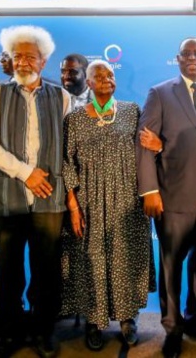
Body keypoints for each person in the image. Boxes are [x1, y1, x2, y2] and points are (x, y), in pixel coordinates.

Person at [0, 25, 71, 358]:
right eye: (17, 55)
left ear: (43, 61)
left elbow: (68, 146)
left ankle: (44, 331)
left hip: (49, 198)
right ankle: (10, 333)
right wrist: (25, 172)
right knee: (9, 271)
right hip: (9, 196)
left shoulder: (61, 96)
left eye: (30, 56)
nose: (22, 61)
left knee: (47, 271)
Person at [136, 37, 196, 358]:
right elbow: (144, 144)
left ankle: (195, 320)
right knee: (172, 266)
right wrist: (149, 190)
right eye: (186, 54)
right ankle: (172, 327)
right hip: (172, 197)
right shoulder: (160, 93)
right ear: (177, 59)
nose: (192, 58)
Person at [61, 59, 156, 351]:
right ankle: (94, 320)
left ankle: (127, 319)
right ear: (88, 83)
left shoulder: (132, 111)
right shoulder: (74, 118)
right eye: (98, 76)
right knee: (91, 261)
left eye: (110, 75)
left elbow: (145, 153)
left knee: (125, 259)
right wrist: (73, 206)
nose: (105, 79)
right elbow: (67, 163)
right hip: (89, 201)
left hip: (127, 199)